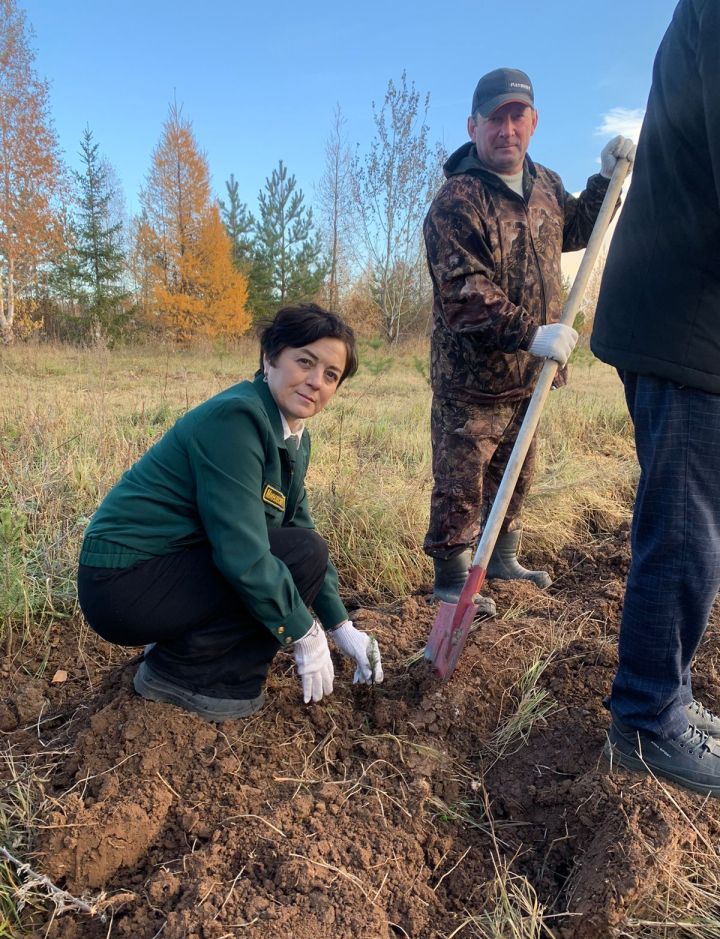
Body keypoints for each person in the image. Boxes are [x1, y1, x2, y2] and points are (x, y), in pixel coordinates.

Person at [77, 303, 383, 722]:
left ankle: (183, 654)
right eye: (305, 362)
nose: (315, 382)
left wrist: (340, 626)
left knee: (304, 550)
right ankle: (191, 676)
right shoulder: (237, 419)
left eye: (331, 375)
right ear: (270, 357)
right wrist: (303, 633)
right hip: (122, 583)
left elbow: (297, 527)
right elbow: (242, 550)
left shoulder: (290, 434)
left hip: (155, 573)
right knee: (292, 556)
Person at [423, 67, 635, 616]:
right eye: (495, 118)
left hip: (529, 375)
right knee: (460, 482)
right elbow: (463, 291)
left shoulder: (544, 186)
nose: (507, 129)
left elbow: (579, 228)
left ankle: (502, 558)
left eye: (517, 116)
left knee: (518, 471)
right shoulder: (457, 200)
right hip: (471, 381)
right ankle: (452, 576)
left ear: (534, 122)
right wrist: (532, 333)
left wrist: (607, 180)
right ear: (473, 126)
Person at [591, 0, 720, 795]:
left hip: (677, 312)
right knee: (685, 526)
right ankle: (645, 719)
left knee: (695, 519)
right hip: (685, 319)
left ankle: (666, 693)